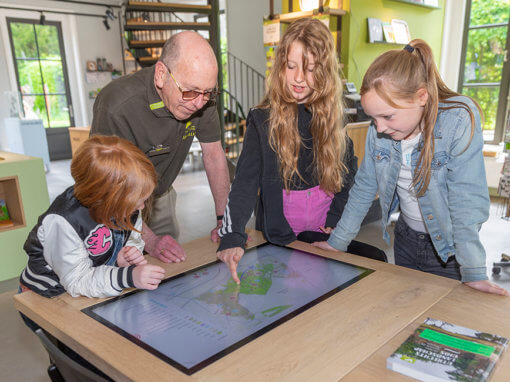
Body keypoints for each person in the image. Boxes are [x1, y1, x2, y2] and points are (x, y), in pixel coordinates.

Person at [313, 39, 508, 296]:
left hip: (449, 249)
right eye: (374, 118)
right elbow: (363, 188)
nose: (379, 128)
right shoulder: (380, 131)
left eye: (388, 116)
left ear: (421, 97)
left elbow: (466, 201)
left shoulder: (458, 120)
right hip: (405, 238)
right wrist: (337, 242)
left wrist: (472, 270)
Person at [216, 18, 385, 284]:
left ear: (325, 72)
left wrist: (335, 217)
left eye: (309, 69)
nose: (298, 78)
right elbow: (245, 184)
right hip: (281, 235)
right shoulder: (262, 120)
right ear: (280, 66)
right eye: (291, 66)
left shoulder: (332, 117)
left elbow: (347, 174)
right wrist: (232, 235)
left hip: (323, 231)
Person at [91, 31, 230, 263]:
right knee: (120, 270)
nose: (199, 103)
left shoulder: (202, 99)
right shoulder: (117, 105)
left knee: (167, 268)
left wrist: (224, 219)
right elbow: (107, 188)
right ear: (161, 74)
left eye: (208, 92)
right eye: (191, 91)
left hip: (160, 194)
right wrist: (150, 240)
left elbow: (214, 155)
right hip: (116, 198)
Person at [19, 135, 166, 299]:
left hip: (94, 286)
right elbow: (77, 280)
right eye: (135, 203)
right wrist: (127, 277)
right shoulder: (62, 221)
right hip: (48, 294)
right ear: (104, 199)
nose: (141, 208)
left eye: (144, 200)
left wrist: (123, 257)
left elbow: (132, 239)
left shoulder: (126, 203)